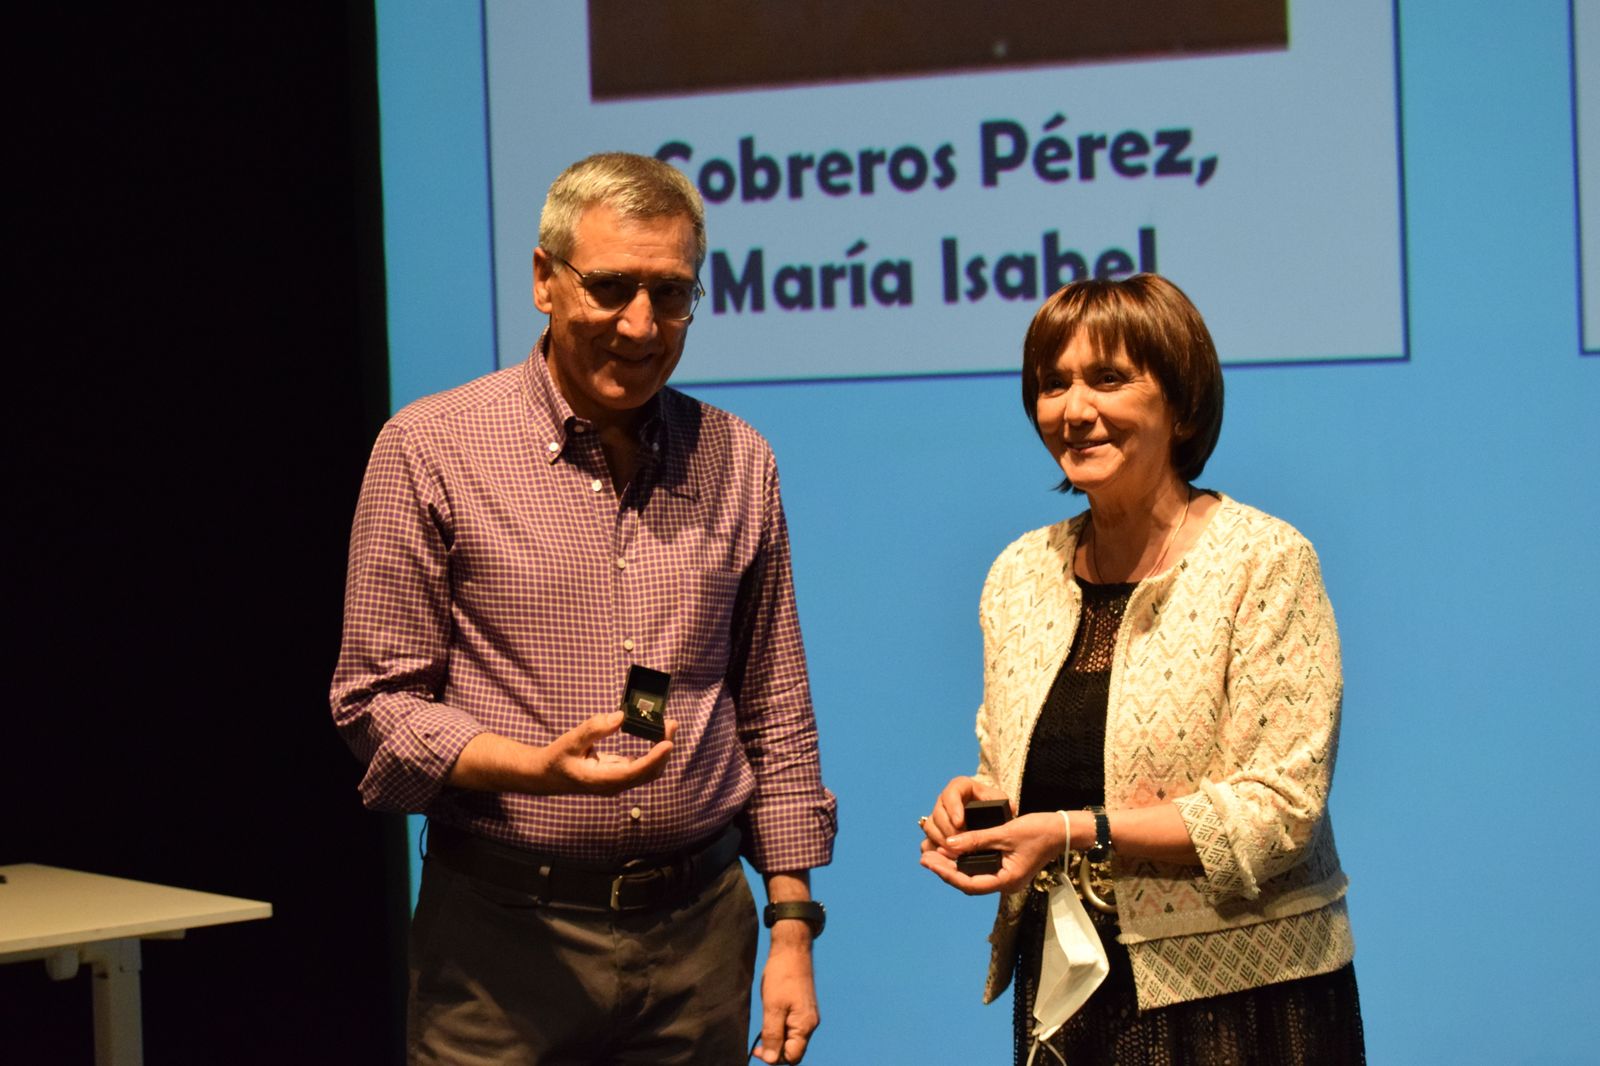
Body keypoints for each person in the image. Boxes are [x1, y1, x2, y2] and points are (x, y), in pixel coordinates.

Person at [332, 152, 835, 1065]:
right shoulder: (430, 450)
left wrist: (793, 925)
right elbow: (374, 703)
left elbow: (775, 711)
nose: (641, 326)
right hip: (499, 946)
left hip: (699, 942)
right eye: (609, 288)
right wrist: (528, 769)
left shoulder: (740, 460)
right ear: (543, 281)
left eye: (671, 294)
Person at [919, 275, 1364, 1064]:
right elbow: (1021, 768)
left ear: (1182, 403)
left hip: (1242, 1002)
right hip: (1067, 985)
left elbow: (1281, 810)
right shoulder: (1020, 573)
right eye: (1053, 384)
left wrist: (1074, 832)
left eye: (1109, 379)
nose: (1074, 409)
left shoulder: (1264, 561)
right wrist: (979, 802)